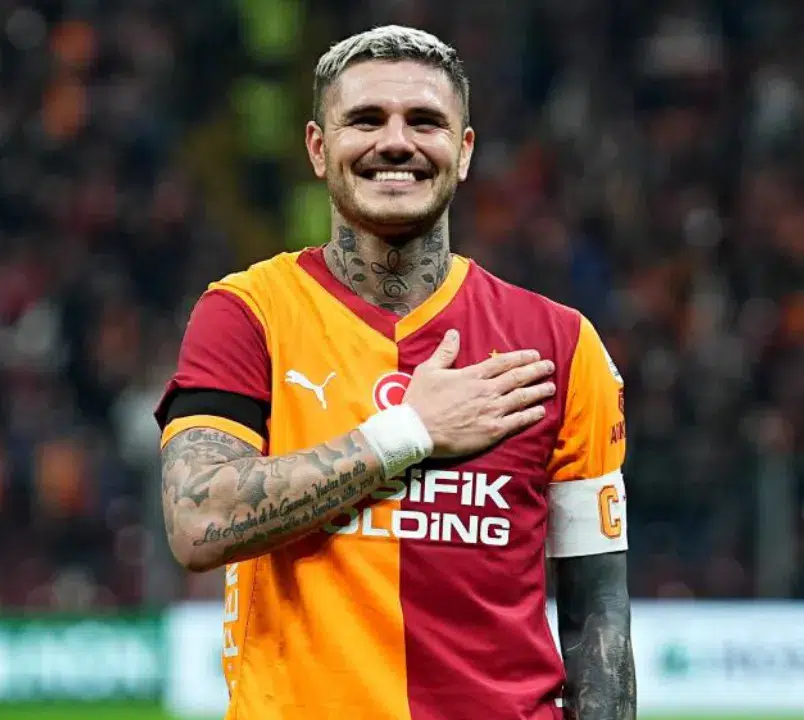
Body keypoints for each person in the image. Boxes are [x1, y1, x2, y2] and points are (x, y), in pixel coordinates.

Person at [155, 25, 635, 720]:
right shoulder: (248, 315)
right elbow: (198, 520)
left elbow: (599, 620)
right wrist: (410, 433)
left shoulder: (559, 345)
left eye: (425, 122)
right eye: (366, 119)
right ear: (318, 148)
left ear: (463, 152)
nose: (396, 142)